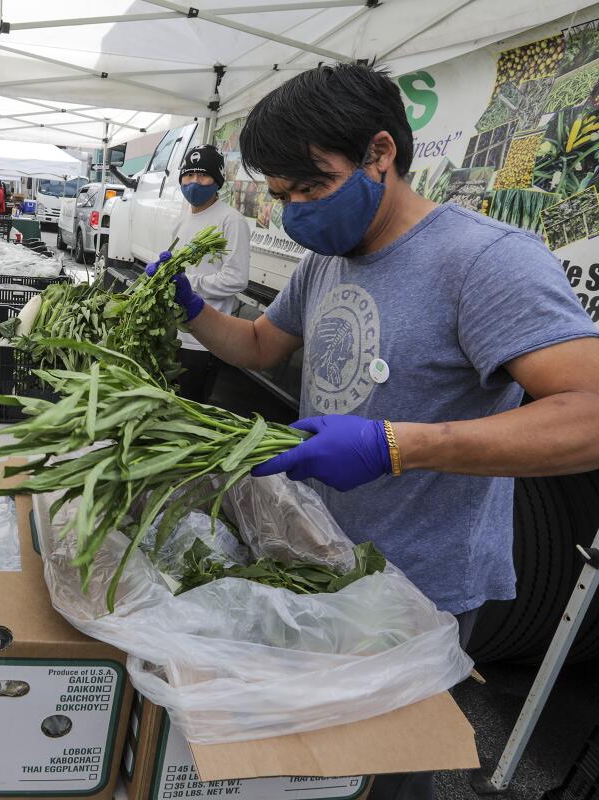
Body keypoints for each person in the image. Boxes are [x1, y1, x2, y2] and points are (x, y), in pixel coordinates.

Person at [151, 64, 599, 800]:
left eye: (310, 187)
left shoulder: (483, 262)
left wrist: (395, 445)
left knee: (384, 774)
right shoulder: (328, 258)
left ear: (379, 155)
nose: (293, 210)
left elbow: (589, 413)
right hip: (319, 563)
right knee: (311, 770)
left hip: (419, 591)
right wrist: (194, 310)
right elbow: (263, 347)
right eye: (280, 194)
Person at [167, 144, 250, 403]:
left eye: (202, 175)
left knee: (191, 409)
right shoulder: (182, 221)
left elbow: (236, 278)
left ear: (217, 181)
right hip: (174, 335)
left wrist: (188, 284)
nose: (194, 182)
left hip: (205, 340)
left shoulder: (230, 220)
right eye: (188, 175)